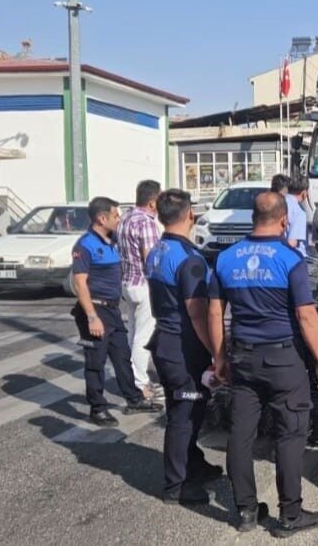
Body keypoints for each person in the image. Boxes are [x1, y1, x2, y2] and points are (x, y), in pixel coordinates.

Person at [208, 191, 318, 536]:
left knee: (240, 434)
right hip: (282, 359)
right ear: (283, 220)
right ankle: (290, 514)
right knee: (290, 435)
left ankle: (246, 510)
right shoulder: (290, 259)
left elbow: (216, 310)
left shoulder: (225, 258)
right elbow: (306, 314)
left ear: (253, 217)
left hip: (243, 358)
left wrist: (219, 356)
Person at [145, 189, 222, 505]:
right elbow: (198, 313)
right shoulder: (189, 261)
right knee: (183, 415)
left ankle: (193, 463)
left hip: (164, 339)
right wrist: (218, 353)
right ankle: (176, 485)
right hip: (183, 347)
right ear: (191, 214)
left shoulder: (158, 250)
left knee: (188, 409)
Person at [71, 197, 162, 427]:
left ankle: (134, 399)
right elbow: (80, 284)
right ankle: (97, 408)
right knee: (96, 362)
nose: (119, 219)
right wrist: (92, 317)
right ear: (102, 218)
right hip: (95, 309)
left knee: (122, 356)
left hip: (112, 310)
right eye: (115, 216)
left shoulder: (112, 241)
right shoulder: (85, 245)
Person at [117, 180, 163, 401]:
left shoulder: (125, 217)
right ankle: (140, 383)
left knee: (134, 334)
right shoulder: (146, 222)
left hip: (127, 282)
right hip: (144, 284)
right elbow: (151, 258)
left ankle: (132, 378)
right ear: (153, 202)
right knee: (143, 337)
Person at [271, 174, 309, 258]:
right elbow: (292, 243)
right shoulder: (299, 212)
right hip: (294, 259)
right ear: (304, 193)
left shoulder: (277, 203)